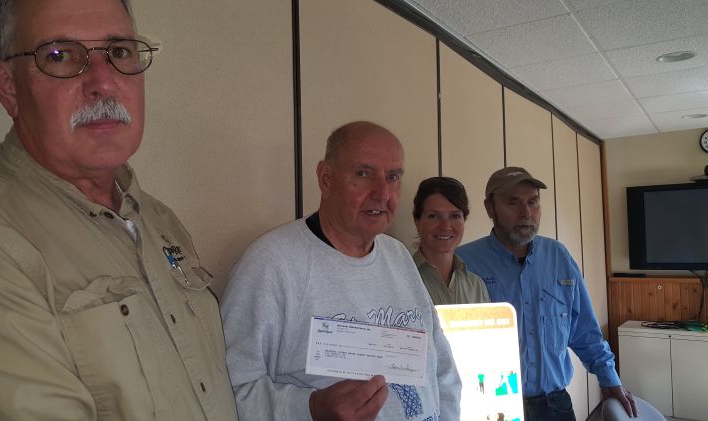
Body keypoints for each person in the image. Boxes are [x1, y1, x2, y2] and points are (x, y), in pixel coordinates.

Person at [0, 0, 238, 419]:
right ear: (6, 86)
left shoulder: (160, 221)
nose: (103, 82)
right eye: (59, 55)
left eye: (119, 51)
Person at [220, 121, 461, 420]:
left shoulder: (398, 255)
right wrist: (310, 409)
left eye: (393, 177)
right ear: (326, 179)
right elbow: (230, 392)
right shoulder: (273, 264)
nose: (382, 193)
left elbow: (440, 369)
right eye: (363, 174)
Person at [456, 166, 638, 420]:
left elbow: (583, 328)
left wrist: (609, 378)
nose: (526, 213)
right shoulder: (464, 262)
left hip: (555, 406)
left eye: (533, 202)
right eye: (513, 203)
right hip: (492, 407)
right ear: (489, 208)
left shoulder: (558, 256)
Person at [412, 176, 490, 305]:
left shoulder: (476, 286)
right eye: (434, 216)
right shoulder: (402, 280)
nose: (446, 226)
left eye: (455, 216)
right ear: (417, 221)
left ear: (464, 220)